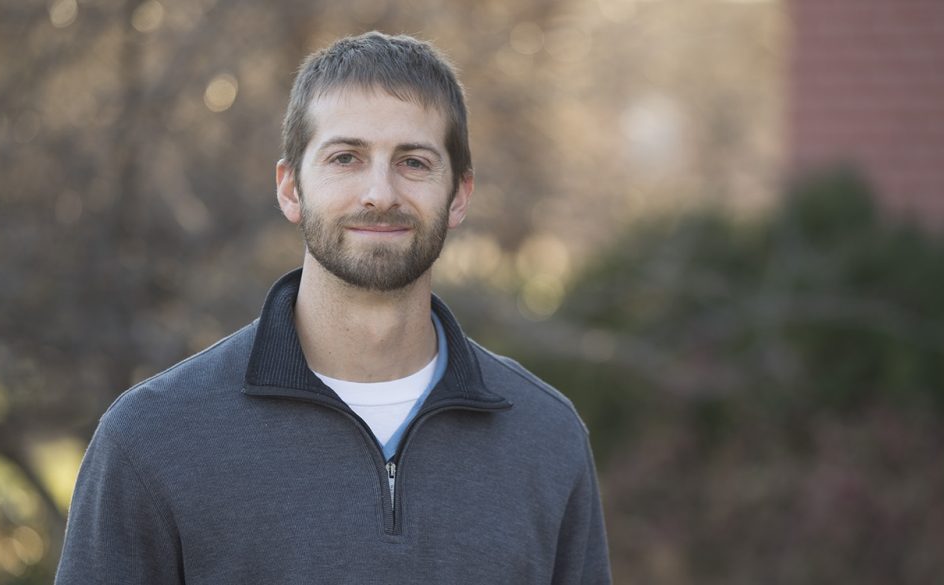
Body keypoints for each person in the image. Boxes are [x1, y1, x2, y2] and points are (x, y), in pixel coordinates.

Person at [55, 31, 611, 584]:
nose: (380, 193)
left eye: (414, 162)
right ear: (291, 188)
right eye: (346, 158)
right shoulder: (152, 439)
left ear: (459, 194)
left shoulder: (547, 436)